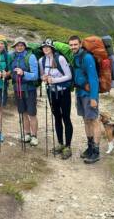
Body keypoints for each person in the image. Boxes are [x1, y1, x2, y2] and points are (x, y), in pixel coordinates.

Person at [39, 38, 73, 159]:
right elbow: (42, 75)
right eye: (44, 47)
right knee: (57, 117)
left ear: (52, 48)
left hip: (64, 92)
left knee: (66, 118)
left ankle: (68, 146)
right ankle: (60, 143)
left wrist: (54, 80)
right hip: (51, 92)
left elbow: (69, 76)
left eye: (47, 47)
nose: (45, 49)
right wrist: (44, 77)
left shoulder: (60, 59)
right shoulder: (41, 60)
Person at [68, 35, 100, 164]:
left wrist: (93, 97)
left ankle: (96, 152)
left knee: (94, 121)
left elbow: (93, 79)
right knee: (86, 120)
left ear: (80, 44)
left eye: (75, 44)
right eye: (71, 45)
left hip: (88, 95)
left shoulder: (87, 58)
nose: (73, 47)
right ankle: (90, 147)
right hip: (80, 93)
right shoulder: (76, 57)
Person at [10, 37, 39, 146]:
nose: (19, 47)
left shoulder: (30, 57)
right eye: (17, 45)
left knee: (32, 113)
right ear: (15, 47)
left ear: (25, 46)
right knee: (23, 113)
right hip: (17, 89)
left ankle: (34, 136)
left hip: (29, 89)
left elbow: (35, 76)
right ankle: (27, 134)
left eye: (21, 45)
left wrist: (23, 73)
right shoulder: (13, 56)